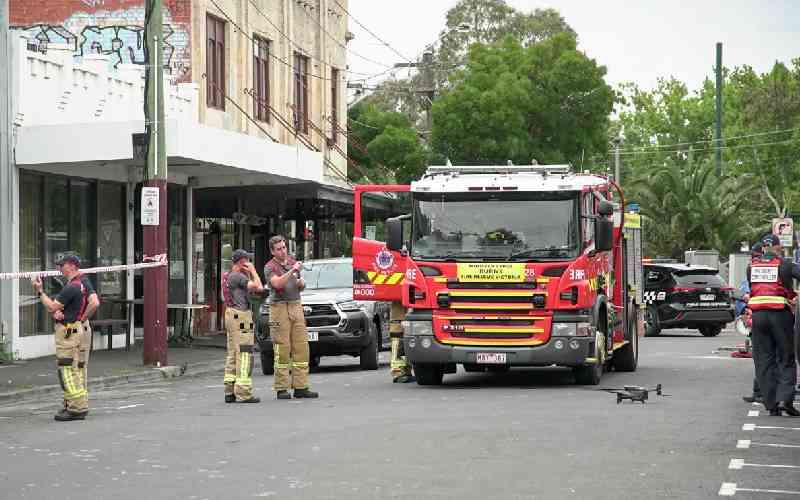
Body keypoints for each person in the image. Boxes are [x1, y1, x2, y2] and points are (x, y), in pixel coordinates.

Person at [30, 254, 90, 421]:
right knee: (75, 370)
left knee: (67, 371)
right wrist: (62, 313)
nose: (59, 268)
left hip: (68, 334)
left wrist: (39, 291)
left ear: (72, 266)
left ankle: (76, 409)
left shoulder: (71, 287)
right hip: (74, 328)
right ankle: (77, 405)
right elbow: (66, 308)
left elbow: (51, 306)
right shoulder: (79, 284)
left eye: (62, 265)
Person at [747, 234, 800, 417]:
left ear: (762, 248)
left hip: (759, 316)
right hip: (780, 315)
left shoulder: (751, 266)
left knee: (764, 360)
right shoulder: (784, 265)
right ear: (778, 248)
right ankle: (785, 399)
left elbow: (753, 288)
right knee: (786, 357)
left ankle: (771, 405)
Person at [265, 235, 318, 399]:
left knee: (301, 347)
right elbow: (278, 284)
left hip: (296, 305)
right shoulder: (270, 267)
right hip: (279, 308)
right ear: (273, 251)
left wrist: (301, 282)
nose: (283, 251)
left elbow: (300, 284)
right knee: (282, 348)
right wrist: (293, 270)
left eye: (284, 247)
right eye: (279, 249)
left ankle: (301, 387)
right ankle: (282, 388)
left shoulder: (291, 262)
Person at [222, 249, 263, 404]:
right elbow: (258, 287)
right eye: (247, 261)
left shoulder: (227, 276)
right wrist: (253, 271)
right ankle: (244, 393)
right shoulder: (238, 276)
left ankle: (229, 390)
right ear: (242, 262)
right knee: (245, 352)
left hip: (231, 315)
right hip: (242, 317)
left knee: (233, 352)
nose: (249, 264)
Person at [740, 242, 761, 404]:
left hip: (761, 318)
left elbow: (748, 295)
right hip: (775, 319)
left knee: (763, 357)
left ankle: (761, 392)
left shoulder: (752, 270)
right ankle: (761, 391)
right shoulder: (781, 267)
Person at [389, 302, 415, 383]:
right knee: (398, 336)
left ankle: (405, 371)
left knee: (406, 336)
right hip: (399, 304)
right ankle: (398, 372)